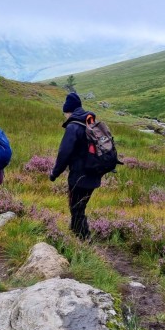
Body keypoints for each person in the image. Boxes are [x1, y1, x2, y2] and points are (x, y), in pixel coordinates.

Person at [49, 92, 101, 239]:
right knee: (80, 207)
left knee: (76, 209)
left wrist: (54, 173)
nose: (65, 116)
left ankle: (83, 241)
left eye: (64, 113)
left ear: (68, 111)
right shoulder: (90, 122)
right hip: (94, 174)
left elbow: (64, 153)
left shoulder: (73, 126)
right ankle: (78, 236)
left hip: (79, 176)